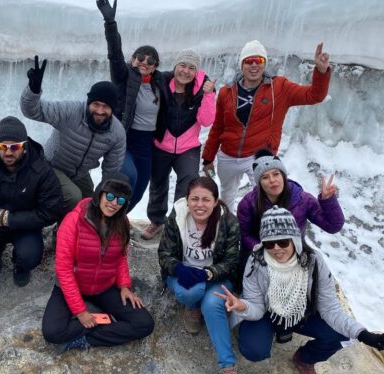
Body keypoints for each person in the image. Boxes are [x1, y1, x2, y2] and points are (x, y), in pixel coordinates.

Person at [216, 207, 384, 374]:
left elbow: (330, 309)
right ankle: (270, 332)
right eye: (270, 243)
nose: (276, 249)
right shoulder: (256, 261)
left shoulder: (314, 262)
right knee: (254, 351)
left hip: (301, 314)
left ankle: (305, 359)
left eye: (282, 241)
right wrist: (242, 307)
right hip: (267, 312)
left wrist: (363, 334)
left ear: (295, 239)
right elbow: (256, 305)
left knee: (341, 334)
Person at [201, 41, 332, 209]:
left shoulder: (280, 87)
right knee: (227, 196)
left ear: (264, 64)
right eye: (249, 61)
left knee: (267, 200)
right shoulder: (227, 92)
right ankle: (229, 228)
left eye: (259, 60)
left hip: (258, 157)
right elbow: (218, 126)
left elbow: (314, 95)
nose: (254, 65)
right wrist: (208, 157)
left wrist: (321, 72)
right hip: (228, 155)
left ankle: (263, 231)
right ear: (242, 64)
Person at [157, 177, 250, 374]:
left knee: (211, 302)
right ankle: (192, 307)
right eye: (194, 199)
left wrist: (207, 274)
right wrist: (178, 268)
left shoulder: (228, 222)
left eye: (206, 199)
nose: (200, 204)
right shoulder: (177, 217)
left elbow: (231, 262)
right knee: (192, 293)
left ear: (216, 201)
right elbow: (164, 254)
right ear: (187, 201)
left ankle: (228, 369)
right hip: (183, 274)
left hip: (215, 277)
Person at [41, 173, 155, 350]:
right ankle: (106, 320)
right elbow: (63, 270)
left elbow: (121, 257)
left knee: (144, 324)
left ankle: (88, 338)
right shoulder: (73, 221)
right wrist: (80, 311)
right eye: (109, 196)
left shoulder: (122, 222)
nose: (113, 203)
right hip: (73, 285)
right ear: (99, 194)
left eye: (120, 199)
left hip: (104, 286)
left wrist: (124, 286)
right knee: (52, 332)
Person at [0, 116, 65, 287]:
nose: (8, 152)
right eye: (3, 147)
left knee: (30, 257)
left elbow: (51, 211)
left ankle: (19, 263)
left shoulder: (41, 170)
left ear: (24, 146)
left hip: (25, 226)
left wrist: (9, 219)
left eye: (14, 147)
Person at [20, 57, 126, 213]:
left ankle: (76, 231)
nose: (100, 110)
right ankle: (59, 228)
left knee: (92, 203)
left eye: (106, 107)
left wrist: (106, 196)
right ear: (88, 102)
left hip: (80, 174)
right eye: (95, 104)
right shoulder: (70, 112)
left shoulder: (117, 133)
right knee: (73, 197)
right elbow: (32, 111)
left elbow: (111, 171)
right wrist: (33, 90)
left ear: (113, 109)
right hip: (51, 165)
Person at [96, 0, 171, 213]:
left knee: (138, 189)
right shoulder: (124, 76)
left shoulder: (161, 82)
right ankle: (98, 210)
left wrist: (205, 84)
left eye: (150, 60)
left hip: (147, 143)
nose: (144, 62)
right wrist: (110, 23)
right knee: (127, 175)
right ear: (133, 59)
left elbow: (185, 76)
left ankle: (117, 219)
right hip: (124, 138)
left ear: (156, 65)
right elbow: (114, 54)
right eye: (140, 58)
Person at [142, 49, 216, 240]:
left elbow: (206, 121)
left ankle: (176, 224)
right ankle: (156, 222)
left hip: (188, 147)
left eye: (192, 68)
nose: (185, 71)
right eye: (182, 65)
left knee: (188, 182)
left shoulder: (203, 89)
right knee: (158, 184)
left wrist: (208, 95)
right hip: (160, 145)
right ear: (176, 66)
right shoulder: (162, 82)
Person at [237, 150, 344, 265]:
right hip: (261, 254)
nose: (272, 180)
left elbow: (333, 226)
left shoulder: (303, 199)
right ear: (259, 182)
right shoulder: (248, 203)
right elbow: (245, 235)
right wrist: (261, 249)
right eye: (265, 177)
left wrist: (328, 200)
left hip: (293, 253)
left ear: (283, 176)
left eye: (276, 174)